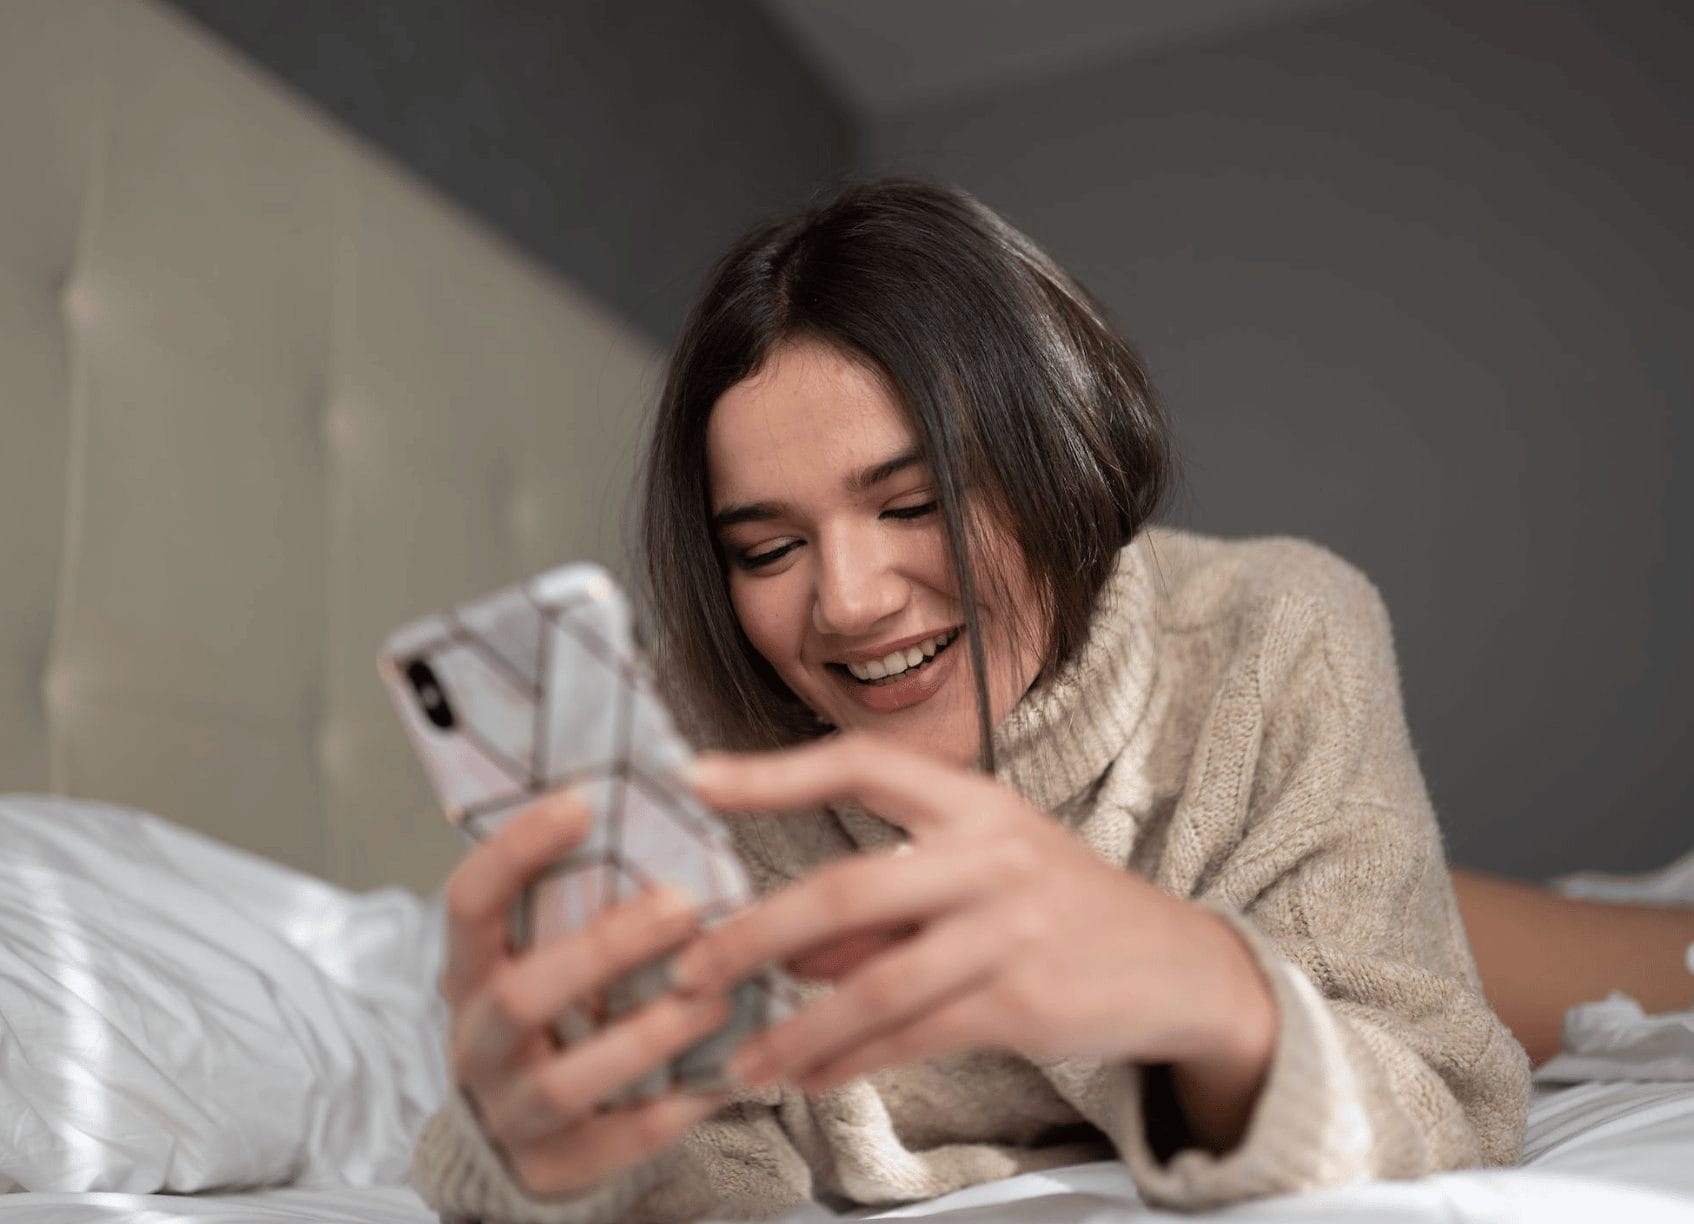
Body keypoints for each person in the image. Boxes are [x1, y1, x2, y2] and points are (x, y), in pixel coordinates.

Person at [411, 178, 1546, 1223]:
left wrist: (1201, 987)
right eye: (766, 549)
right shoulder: (689, 738)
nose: (846, 605)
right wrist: (543, 1163)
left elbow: (1446, 1100)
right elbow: (700, 1163)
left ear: (1063, 454)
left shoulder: (1275, 636)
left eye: (913, 505)